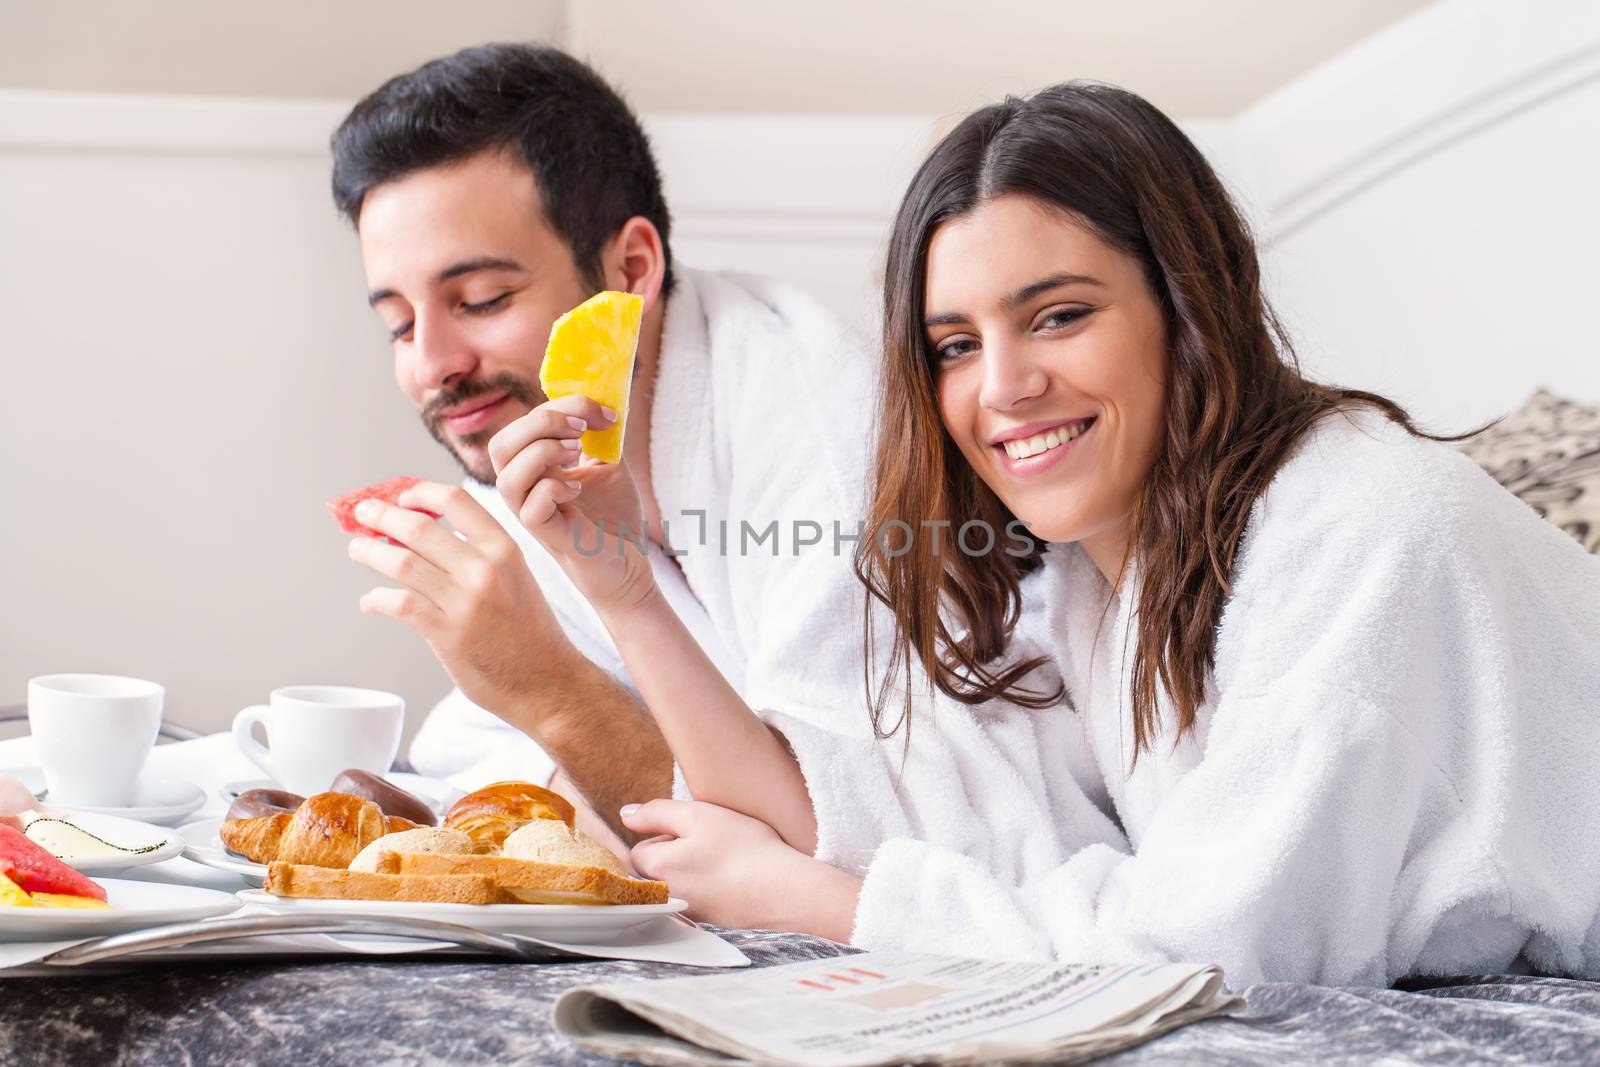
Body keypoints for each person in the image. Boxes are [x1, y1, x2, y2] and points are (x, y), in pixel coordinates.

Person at [610, 83, 1600, 988]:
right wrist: (628, 593)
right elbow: (981, 841)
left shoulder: (1364, 536)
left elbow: (1211, 948)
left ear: (1187, 296)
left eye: (1058, 315)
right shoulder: (1102, 566)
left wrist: (823, 904)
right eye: (955, 344)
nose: (1000, 387)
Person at [331, 43, 1081, 865]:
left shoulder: (820, 434)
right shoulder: (537, 444)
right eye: (400, 324)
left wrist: (551, 693)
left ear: (632, 267)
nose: (434, 362)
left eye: (481, 300)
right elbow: (476, 758)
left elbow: (834, 846)